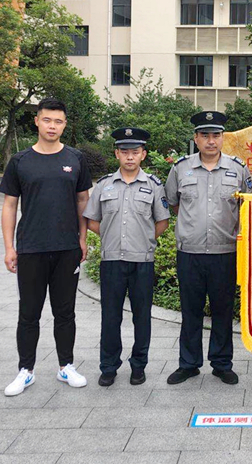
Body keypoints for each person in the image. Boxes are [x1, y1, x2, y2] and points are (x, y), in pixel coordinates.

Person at [0, 98, 92, 397]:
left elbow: (83, 201)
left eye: (58, 121)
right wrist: (9, 247)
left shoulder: (75, 158)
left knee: (65, 312)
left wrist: (82, 238)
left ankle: (66, 366)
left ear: (65, 125)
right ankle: (25, 370)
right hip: (31, 248)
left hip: (66, 248)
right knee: (29, 313)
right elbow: (10, 205)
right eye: (47, 120)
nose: (53, 126)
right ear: (37, 121)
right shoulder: (20, 161)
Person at [164, 111, 252, 386]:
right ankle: (188, 364)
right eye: (205, 135)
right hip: (189, 252)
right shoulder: (181, 168)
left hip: (225, 252)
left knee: (222, 310)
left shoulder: (238, 169)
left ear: (223, 138)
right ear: (196, 138)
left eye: (216, 135)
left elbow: (247, 206)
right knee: (190, 310)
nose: (211, 141)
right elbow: (174, 203)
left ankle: (222, 364)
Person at [83, 127, 170, 386]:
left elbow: (162, 221)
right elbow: (92, 220)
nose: (129, 157)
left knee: (142, 317)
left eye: (135, 152)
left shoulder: (153, 185)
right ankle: (109, 366)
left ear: (143, 154)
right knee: (110, 317)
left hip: (142, 261)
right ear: (117, 154)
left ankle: (138, 365)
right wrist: (111, 237)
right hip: (112, 261)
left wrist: (144, 240)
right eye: (124, 152)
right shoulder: (104, 185)